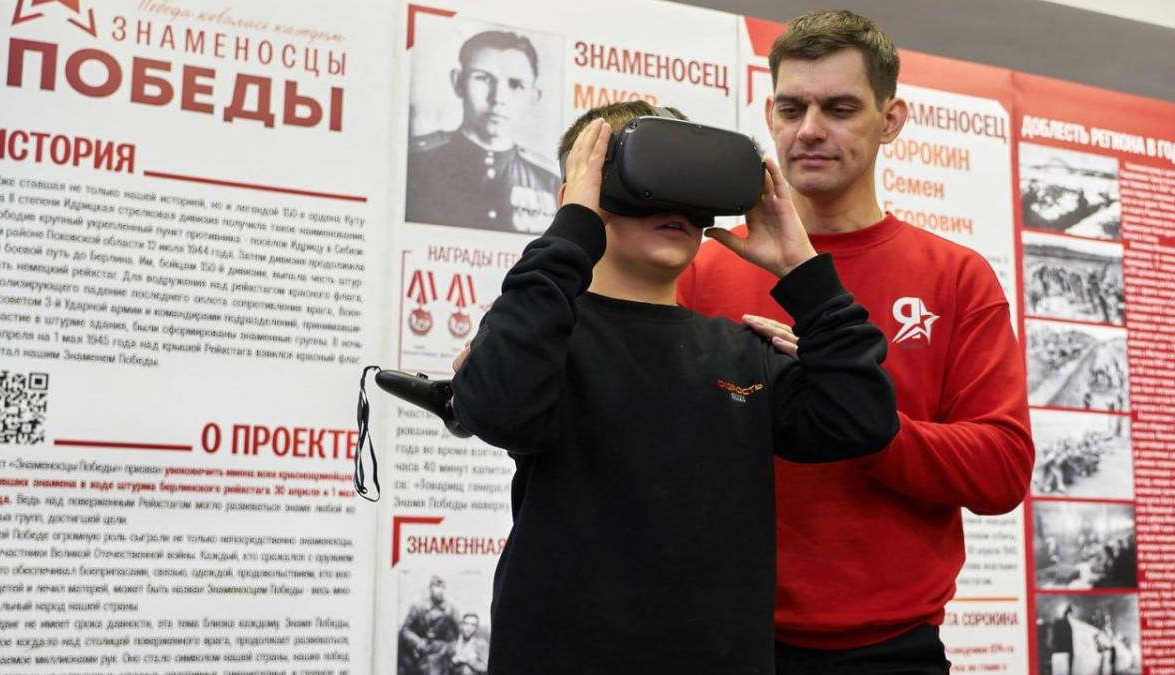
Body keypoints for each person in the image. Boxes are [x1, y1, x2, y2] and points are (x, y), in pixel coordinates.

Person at [449, 100, 899, 674]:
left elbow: (863, 419)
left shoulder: (742, 352)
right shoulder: (542, 337)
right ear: (584, 192)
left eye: (690, 187)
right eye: (645, 180)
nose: (673, 206)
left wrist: (803, 272)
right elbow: (500, 409)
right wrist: (571, 231)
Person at [676, 10, 1034, 673]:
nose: (810, 129)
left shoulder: (955, 276)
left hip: (891, 650)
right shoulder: (702, 270)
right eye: (792, 108)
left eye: (839, 108)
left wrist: (858, 415)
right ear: (770, 114)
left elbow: (1002, 470)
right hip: (726, 637)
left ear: (890, 120)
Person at [405, 30, 560, 233]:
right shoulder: (416, 164)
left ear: (533, 97)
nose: (497, 98)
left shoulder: (550, 184)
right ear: (458, 82)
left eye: (515, 85)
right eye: (483, 78)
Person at [398, 575, 460, 675]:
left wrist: (449, 648)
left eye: (443, 587)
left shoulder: (451, 609)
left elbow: (460, 633)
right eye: (437, 586)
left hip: (440, 652)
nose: (440, 590)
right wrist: (418, 642)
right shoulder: (418, 607)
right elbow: (405, 630)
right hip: (419, 650)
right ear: (430, 588)